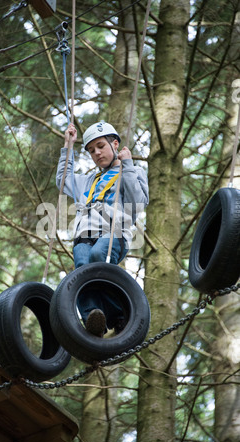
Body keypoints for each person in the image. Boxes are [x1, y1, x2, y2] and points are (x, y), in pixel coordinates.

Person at [56, 121, 149, 337]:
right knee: (81, 269)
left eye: (100, 146)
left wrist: (127, 167)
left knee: (99, 255)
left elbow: (138, 203)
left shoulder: (133, 172)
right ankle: (93, 318)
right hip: (84, 235)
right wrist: (67, 148)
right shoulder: (89, 180)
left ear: (114, 144)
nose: (96, 153)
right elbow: (62, 180)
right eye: (91, 150)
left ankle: (119, 315)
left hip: (113, 232)